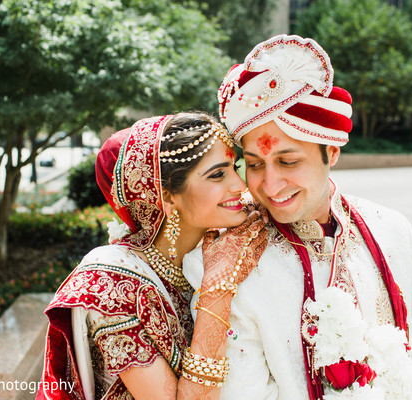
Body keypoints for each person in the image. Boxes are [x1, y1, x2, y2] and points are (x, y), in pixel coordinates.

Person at [184, 35, 412, 399]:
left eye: (288, 161)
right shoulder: (226, 262)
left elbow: (407, 357)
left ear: (331, 151)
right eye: (253, 164)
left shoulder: (391, 229)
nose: (269, 184)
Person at [36, 113, 268, 400]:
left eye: (235, 168)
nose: (240, 186)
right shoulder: (111, 281)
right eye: (218, 174)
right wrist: (217, 288)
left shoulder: (226, 248)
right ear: (167, 196)